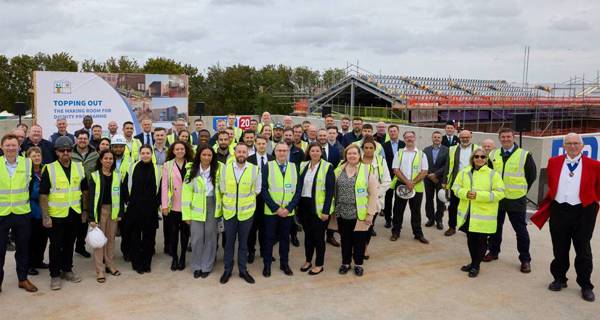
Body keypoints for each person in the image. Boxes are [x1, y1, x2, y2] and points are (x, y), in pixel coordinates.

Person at [531, 133, 600, 302]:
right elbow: (551, 185)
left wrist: (592, 200)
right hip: (559, 210)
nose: (573, 146)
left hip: (583, 211)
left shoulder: (594, 165)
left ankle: (585, 284)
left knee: (583, 249)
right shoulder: (554, 162)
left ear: (582, 146)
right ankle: (559, 279)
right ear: (564, 146)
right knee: (559, 247)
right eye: (569, 143)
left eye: (576, 143)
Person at [485, 128, 537, 273]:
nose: (506, 139)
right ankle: (494, 252)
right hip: (498, 198)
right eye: (503, 137)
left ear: (513, 137)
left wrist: (522, 191)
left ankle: (525, 259)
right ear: (499, 138)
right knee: (495, 228)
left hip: (516, 199)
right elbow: (489, 174)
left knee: (520, 230)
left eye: (508, 137)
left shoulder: (524, 155)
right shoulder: (493, 154)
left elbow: (531, 175)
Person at [40, 136, 88, 290]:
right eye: (62, 150)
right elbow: (43, 195)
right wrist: (45, 216)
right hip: (56, 215)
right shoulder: (49, 168)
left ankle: (67, 270)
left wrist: (85, 211)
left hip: (74, 213)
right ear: (57, 152)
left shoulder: (79, 167)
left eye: (68, 150)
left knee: (69, 244)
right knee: (55, 245)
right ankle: (55, 275)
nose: (66, 153)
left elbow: (85, 191)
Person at [453, 148, 505, 278]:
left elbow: (500, 193)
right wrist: (465, 193)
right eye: (477, 156)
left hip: (484, 215)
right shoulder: (464, 172)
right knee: (471, 239)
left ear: (486, 159)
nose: (479, 159)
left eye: (482, 157)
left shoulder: (493, 174)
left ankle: (476, 266)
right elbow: (456, 187)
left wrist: (478, 195)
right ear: (473, 158)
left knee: (481, 241)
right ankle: (473, 262)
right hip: (468, 212)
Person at [218, 143, 261, 284]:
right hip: (229, 213)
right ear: (234, 153)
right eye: (239, 151)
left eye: (244, 152)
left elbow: (257, 190)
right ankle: (227, 270)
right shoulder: (225, 169)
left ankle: (243, 270)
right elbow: (222, 188)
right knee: (229, 243)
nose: (241, 154)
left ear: (247, 154)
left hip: (246, 213)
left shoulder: (255, 169)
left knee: (244, 244)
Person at [0, 134, 38, 293]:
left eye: (13, 145)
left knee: (23, 248)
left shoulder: (28, 163)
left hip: (22, 213)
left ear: (19, 147)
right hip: (1, 213)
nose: (10, 148)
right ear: (2, 147)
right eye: (7, 145)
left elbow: (30, 187)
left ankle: (23, 279)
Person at [333, 144, 378, 276]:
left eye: (355, 153)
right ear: (346, 155)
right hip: (342, 211)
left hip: (360, 214)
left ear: (359, 156)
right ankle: (345, 263)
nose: (352, 156)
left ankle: (358, 264)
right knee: (345, 239)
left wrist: (370, 213)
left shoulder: (366, 170)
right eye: (349, 153)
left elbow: (373, 194)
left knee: (359, 241)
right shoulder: (338, 170)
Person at [262, 142, 302, 277]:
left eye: (285, 150)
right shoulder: (268, 166)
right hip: (271, 212)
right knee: (269, 239)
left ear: (288, 152)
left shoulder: (294, 167)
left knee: (285, 239)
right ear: (275, 152)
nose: (282, 153)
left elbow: (298, 190)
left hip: (288, 212)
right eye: (279, 150)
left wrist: (289, 208)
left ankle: (284, 264)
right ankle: (267, 265)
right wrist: (276, 208)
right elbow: (264, 189)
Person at [182, 144, 221, 279]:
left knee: (210, 237)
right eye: (204, 154)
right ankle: (196, 266)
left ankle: (207, 266)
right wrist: (187, 214)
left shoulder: (219, 169)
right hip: (196, 209)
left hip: (212, 206)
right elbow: (186, 193)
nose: (206, 157)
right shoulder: (191, 170)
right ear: (199, 155)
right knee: (197, 238)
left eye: (209, 155)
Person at [88, 149, 126, 283]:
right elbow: (91, 198)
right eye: (106, 158)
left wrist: (120, 212)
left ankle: (110, 264)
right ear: (100, 160)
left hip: (113, 212)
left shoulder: (117, 175)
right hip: (100, 212)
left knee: (110, 240)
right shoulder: (94, 176)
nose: (108, 161)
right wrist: (92, 218)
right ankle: (100, 270)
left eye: (111, 159)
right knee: (99, 242)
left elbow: (121, 197)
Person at [298, 143, 335, 275]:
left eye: (317, 151)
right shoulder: (303, 166)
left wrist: (326, 211)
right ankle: (308, 260)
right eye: (312, 151)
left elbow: (330, 191)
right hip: (304, 206)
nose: (314, 153)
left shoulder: (327, 167)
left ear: (321, 152)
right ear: (308, 152)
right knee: (308, 236)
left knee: (319, 237)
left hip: (319, 209)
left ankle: (319, 264)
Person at [125, 145, 161, 274]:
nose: (145, 155)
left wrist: (157, 205)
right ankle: (136, 263)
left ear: (152, 154)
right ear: (140, 154)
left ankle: (146, 263)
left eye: (148, 153)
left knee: (149, 238)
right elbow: (125, 185)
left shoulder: (157, 169)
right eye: (143, 153)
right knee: (135, 237)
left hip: (150, 210)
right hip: (134, 209)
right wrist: (127, 202)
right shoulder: (133, 167)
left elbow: (161, 189)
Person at [390, 131, 430, 244]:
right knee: (398, 210)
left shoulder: (422, 154)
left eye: (411, 137)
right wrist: (407, 182)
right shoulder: (399, 153)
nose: (409, 139)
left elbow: (424, 171)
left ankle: (418, 234)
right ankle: (395, 232)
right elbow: (395, 170)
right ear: (404, 139)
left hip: (416, 187)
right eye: (407, 137)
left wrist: (412, 182)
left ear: (415, 138)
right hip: (401, 185)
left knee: (416, 211)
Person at [161, 141, 193, 271]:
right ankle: (174, 257)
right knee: (173, 234)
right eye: (177, 149)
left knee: (185, 234)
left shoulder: (191, 165)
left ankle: (183, 257)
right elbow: (164, 186)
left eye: (182, 149)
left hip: (187, 205)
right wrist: (164, 205)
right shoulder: (167, 165)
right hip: (172, 205)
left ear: (185, 150)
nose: (179, 151)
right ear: (173, 151)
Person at [443, 130, 479, 236]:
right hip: (456, 183)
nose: (465, 139)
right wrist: (445, 181)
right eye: (462, 137)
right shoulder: (452, 149)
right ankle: (451, 227)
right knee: (453, 206)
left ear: (471, 137)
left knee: (470, 207)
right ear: (459, 138)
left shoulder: (477, 149)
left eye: (467, 137)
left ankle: (468, 228)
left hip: (472, 183)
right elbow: (448, 165)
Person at [361, 137, 391, 258]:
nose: (368, 150)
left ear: (375, 149)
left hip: (375, 200)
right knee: (357, 225)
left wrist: (376, 194)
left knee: (368, 225)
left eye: (371, 148)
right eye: (366, 148)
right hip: (359, 199)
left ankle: (365, 247)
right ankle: (356, 246)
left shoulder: (380, 161)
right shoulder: (357, 159)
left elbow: (387, 180)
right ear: (362, 149)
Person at [71, 130, 99, 259]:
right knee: (73, 220)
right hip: (73, 192)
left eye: (85, 138)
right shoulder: (69, 153)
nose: (82, 140)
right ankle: (70, 246)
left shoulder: (95, 154)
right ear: (76, 139)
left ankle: (80, 247)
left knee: (84, 220)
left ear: (88, 139)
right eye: (80, 138)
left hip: (89, 192)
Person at [247, 136, 274, 264]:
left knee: (266, 228)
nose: (261, 145)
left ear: (266, 144)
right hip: (254, 198)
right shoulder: (249, 160)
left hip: (268, 199)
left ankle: (265, 251)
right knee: (252, 228)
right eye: (259, 143)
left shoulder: (272, 159)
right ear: (255, 144)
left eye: (264, 143)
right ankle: (251, 251)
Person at [26, 147, 49, 277]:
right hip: (32, 211)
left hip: (45, 211)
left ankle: (39, 261)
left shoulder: (45, 169)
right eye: (33, 156)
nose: (36, 158)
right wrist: (43, 189)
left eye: (38, 155)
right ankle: (30, 264)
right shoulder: (26, 172)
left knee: (43, 238)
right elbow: (35, 193)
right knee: (32, 240)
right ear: (28, 158)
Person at [423, 131, 449, 230]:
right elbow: (424, 163)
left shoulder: (446, 150)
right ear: (432, 138)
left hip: (440, 179)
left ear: (441, 139)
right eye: (435, 137)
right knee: (429, 199)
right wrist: (430, 175)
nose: (437, 139)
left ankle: (439, 220)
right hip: (428, 178)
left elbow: (446, 165)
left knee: (440, 200)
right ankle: (430, 219)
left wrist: (436, 174)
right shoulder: (426, 150)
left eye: (438, 137)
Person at [283, 128, 304, 247]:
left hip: (294, 183)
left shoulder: (299, 152)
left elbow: (301, 169)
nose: (287, 137)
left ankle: (294, 235)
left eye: (290, 135)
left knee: (293, 211)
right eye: (286, 135)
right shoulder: (278, 149)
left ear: (293, 136)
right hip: (280, 183)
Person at [382, 124, 406, 229]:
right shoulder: (384, 145)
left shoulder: (404, 144)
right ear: (388, 133)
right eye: (390, 131)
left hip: (401, 176)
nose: (392, 133)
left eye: (394, 131)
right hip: (388, 176)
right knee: (388, 199)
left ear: (398, 132)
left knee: (399, 200)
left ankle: (397, 221)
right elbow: (382, 161)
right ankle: (388, 219)